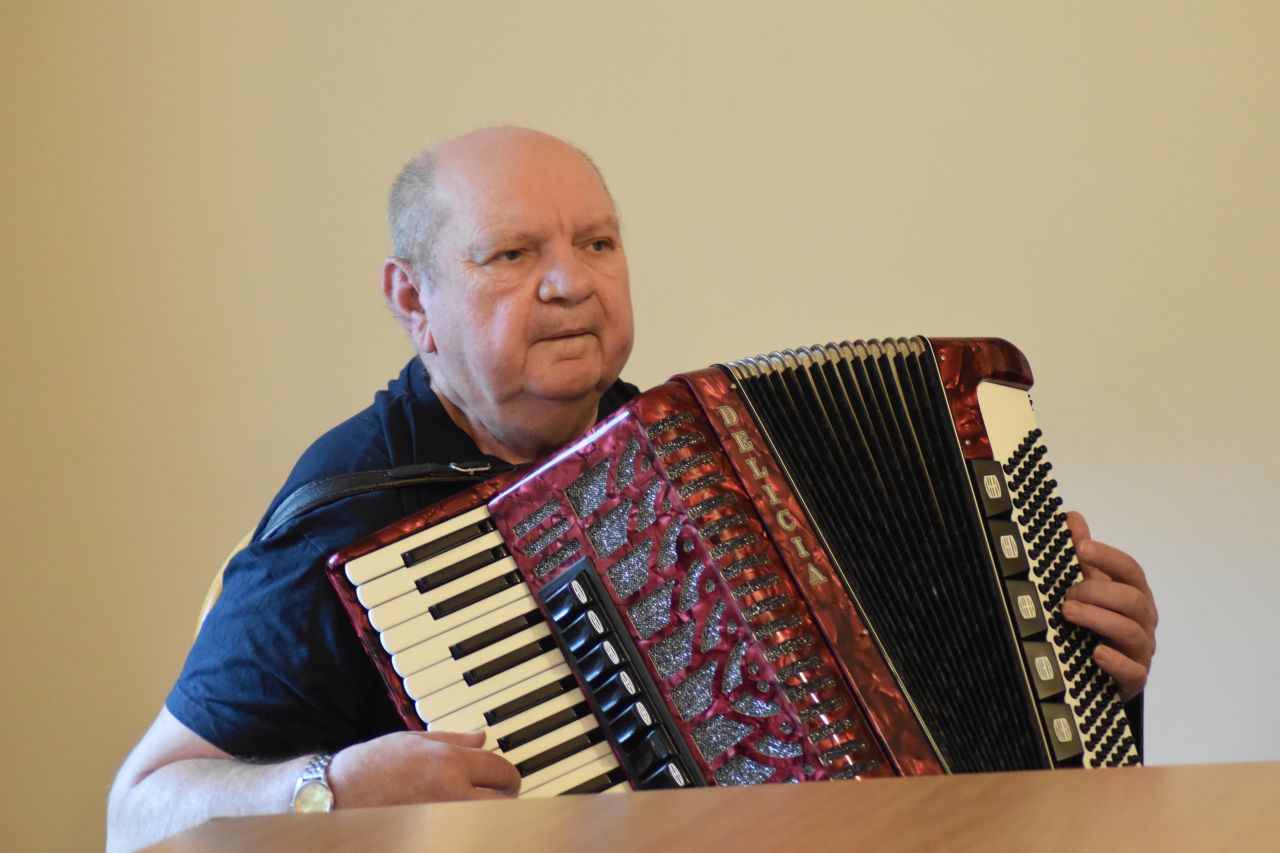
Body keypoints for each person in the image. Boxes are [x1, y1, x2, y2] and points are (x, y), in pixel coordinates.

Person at [106, 127, 1159, 852]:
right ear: (411, 298)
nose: (571, 280)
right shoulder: (351, 507)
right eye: (511, 253)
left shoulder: (694, 451)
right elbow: (137, 808)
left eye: (597, 243)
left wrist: (1076, 660)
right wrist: (326, 790)